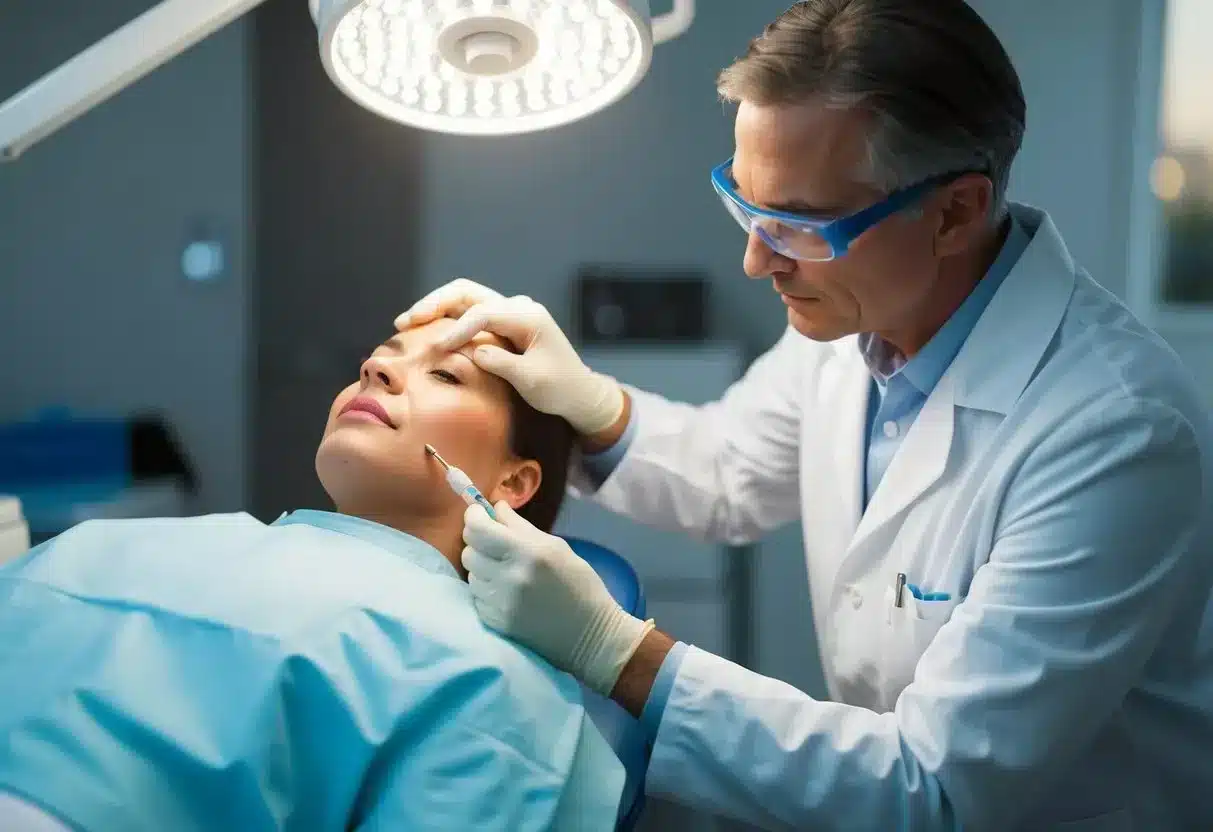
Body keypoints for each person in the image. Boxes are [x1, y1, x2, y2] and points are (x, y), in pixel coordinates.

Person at [394, 1, 1213, 829]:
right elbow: (727, 473)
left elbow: (933, 789)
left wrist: (614, 652)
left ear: (956, 211)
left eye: (799, 225)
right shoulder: (859, 319)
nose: (757, 260)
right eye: (746, 206)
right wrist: (584, 403)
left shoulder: (1115, 431)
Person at [0, 319, 625, 832]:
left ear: (513, 482)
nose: (374, 370)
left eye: (444, 374)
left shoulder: (489, 682)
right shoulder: (127, 541)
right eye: (380, 358)